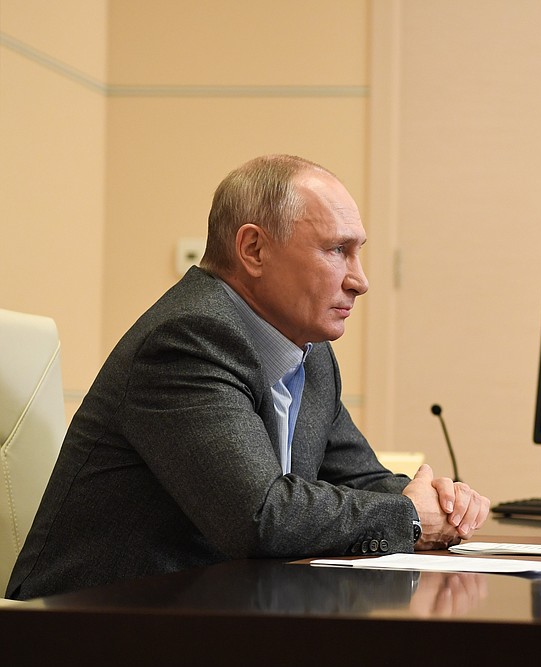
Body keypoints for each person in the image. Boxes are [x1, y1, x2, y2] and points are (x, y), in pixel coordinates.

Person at [6, 154, 490, 600]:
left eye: (357, 252)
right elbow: (260, 515)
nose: (359, 280)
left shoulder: (310, 353)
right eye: (337, 250)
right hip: (94, 629)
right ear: (254, 249)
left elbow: (358, 476)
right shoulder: (187, 340)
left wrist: (439, 504)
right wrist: (409, 517)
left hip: (216, 615)